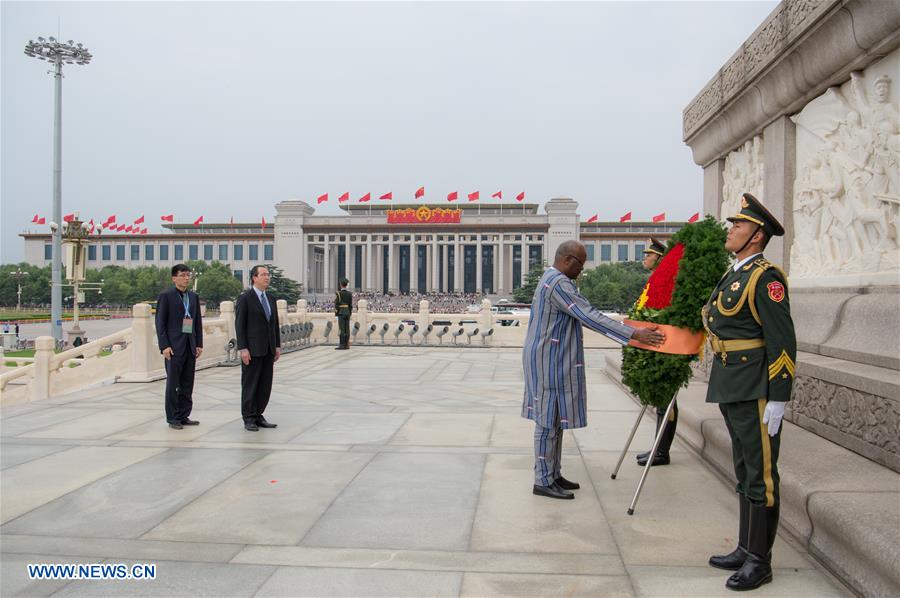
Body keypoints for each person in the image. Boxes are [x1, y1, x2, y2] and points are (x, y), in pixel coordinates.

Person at [522, 240, 665, 500]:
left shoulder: (553, 278)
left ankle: (553, 473)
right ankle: (543, 480)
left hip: (549, 357)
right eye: (580, 264)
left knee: (555, 419)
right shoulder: (559, 284)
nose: (582, 270)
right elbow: (589, 316)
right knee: (547, 420)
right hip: (549, 360)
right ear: (567, 260)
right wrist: (633, 334)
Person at [704, 193, 796, 591]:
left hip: (756, 386)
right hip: (732, 382)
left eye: (738, 225)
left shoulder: (766, 279)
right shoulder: (736, 273)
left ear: (757, 235)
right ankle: (745, 547)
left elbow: (782, 340)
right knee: (744, 468)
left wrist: (779, 396)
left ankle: (760, 561)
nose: (731, 230)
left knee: (761, 474)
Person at [636, 236, 679, 467]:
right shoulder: (655, 281)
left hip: (667, 348)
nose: (646, 258)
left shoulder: (668, 283)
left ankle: (662, 452)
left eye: (650, 255)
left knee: (666, 402)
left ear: (660, 258)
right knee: (661, 401)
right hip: (657, 346)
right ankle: (658, 449)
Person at [156, 264, 203, 429]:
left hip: (190, 345)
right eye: (182, 275)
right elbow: (160, 323)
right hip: (174, 347)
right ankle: (172, 417)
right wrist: (164, 346)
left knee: (187, 383)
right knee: (173, 384)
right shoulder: (166, 296)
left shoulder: (193, 297)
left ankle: (184, 415)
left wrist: (199, 343)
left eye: (188, 275)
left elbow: (197, 322)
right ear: (174, 278)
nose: (186, 278)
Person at [235, 265, 281, 431]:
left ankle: (258, 414)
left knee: (264, 385)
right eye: (263, 274)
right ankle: (248, 417)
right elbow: (240, 325)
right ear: (254, 278)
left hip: (268, 349)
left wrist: (277, 345)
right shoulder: (245, 298)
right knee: (250, 384)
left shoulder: (271, 298)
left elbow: (274, 324)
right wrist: (243, 348)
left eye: (268, 274)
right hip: (252, 350)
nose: (267, 277)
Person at [334, 277, 353, 350]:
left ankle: (342, 345)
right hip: (347, 312)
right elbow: (350, 305)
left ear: (341, 285)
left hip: (341, 313)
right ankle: (347, 344)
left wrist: (336, 313)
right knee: (347, 329)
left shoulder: (338, 293)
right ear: (346, 285)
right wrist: (349, 313)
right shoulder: (349, 294)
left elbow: (336, 305)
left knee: (341, 329)